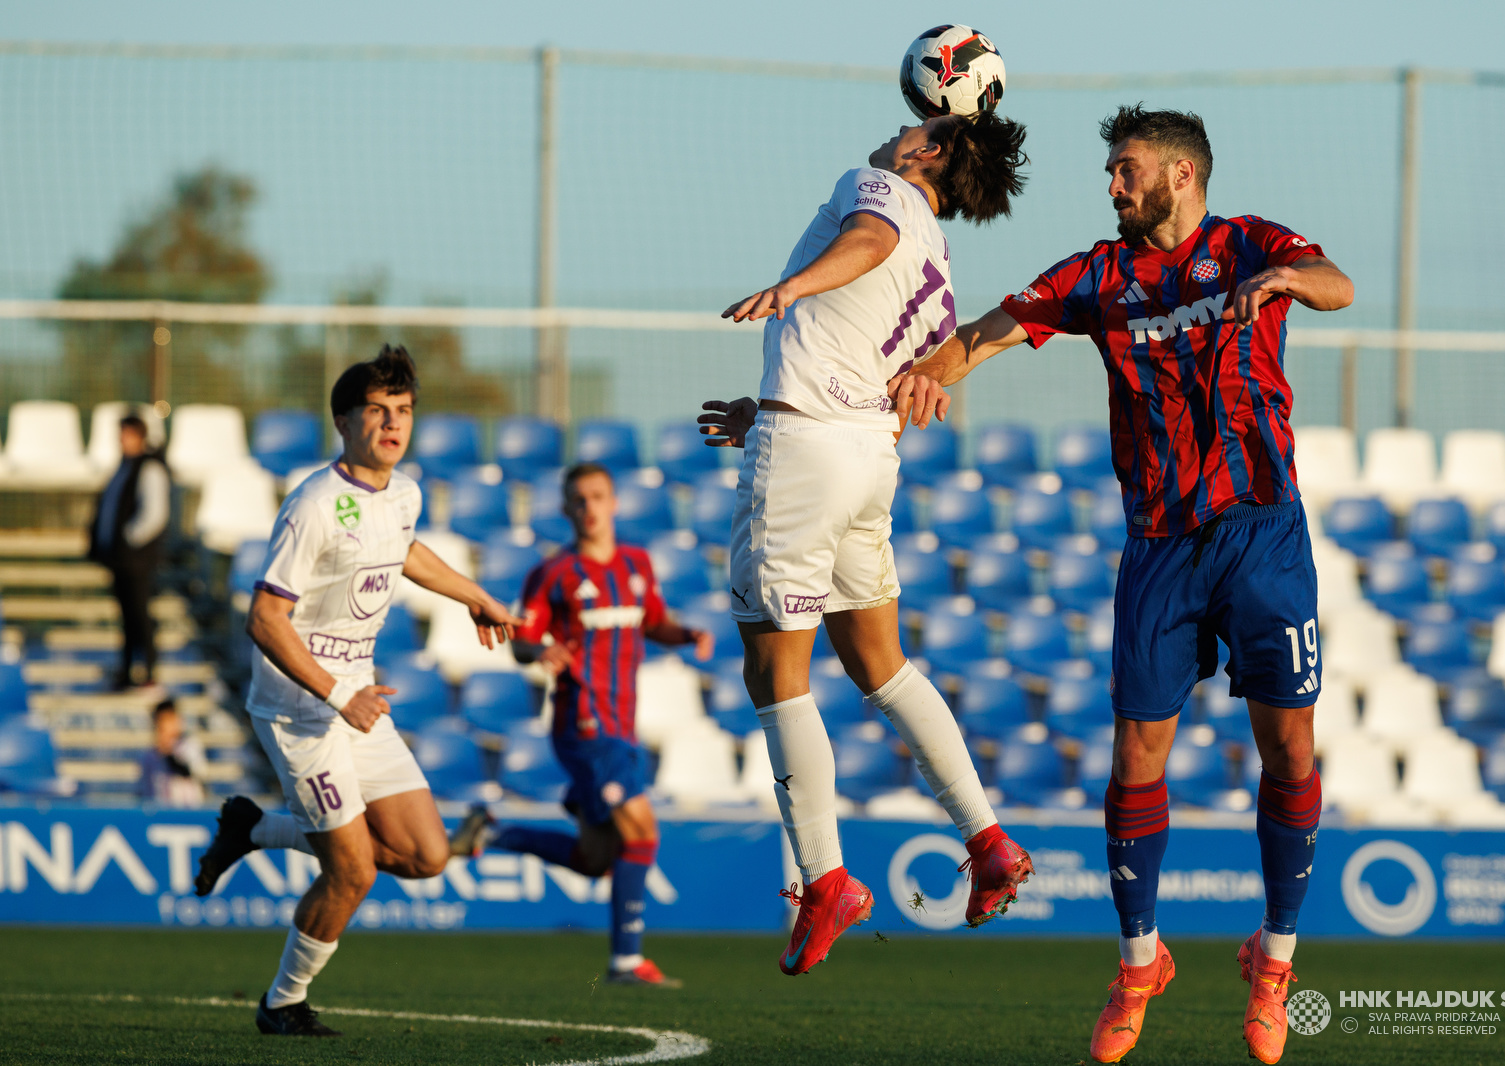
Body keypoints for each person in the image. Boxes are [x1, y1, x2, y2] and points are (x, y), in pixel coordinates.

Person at [881, 106, 1354, 1064]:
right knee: (1137, 755)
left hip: (1263, 529)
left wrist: (1290, 279)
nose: (1111, 185)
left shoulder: (1251, 243)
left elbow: (1338, 286)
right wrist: (929, 373)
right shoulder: (1099, 274)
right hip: (1160, 546)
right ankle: (1141, 964)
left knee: (1291, 749)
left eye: (1125, 169)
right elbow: (992, 329)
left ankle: (1274, 960)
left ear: (1181, 175)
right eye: (1110, 171)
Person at [696, 110, 1034, 978]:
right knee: (882, 664)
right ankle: (988, 839)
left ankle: (826, 882)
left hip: (809, 455)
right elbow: (883, 363)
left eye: (918, 124)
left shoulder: (879, 189)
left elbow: (868, 237)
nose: (897, 128)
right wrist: (763, 412)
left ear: (933, 152)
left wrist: (793, 286)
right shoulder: (942, 269)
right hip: (860, 459)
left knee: (775, 673)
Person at [189, 344, 521, 1037]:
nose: (392, 424)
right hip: (300, 711)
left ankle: (254, 829)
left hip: (356, 702)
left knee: (428, 856)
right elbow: (264, 619)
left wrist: (476, 597)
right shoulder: (313, 504)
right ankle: (282, 1004)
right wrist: (341, 695)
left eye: (402, 411)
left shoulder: (404, 492)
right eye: (376, 410)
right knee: (354, 873)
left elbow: (404, 548)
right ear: (343, 422)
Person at [450, 462, 713, 988]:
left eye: (597, 497)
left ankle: (495, 833)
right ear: (565, 510)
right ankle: (626, 962)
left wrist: (685, 634)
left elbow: (653, 619)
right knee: (643, 830)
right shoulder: (553, 574)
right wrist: (540, 649)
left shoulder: (637, 564)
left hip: (622, 726)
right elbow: (522, 640)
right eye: (579, 500)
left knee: (596, 859)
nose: (589, 508)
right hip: (584, 724)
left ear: (614, 503)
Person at [88, 410, 169, 690]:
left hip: (137, 560)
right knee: (126, 616)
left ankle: (148, 671)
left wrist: (128, 539)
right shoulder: (124, 467)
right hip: (121, 559)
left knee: (140, 614)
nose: (122, 440)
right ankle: (126, 671)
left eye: (127, 434)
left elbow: (155, 514)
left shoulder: (149, 468)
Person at [136, 698, 206, 807]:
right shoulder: (148, 755)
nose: (162, 725)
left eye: (167, 720)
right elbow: (142, 790)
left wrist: (168, 753)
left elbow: (190, 773)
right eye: (159, 720)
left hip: (187, 812)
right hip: (158, 814)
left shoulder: (189, 746)